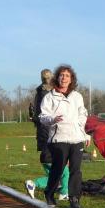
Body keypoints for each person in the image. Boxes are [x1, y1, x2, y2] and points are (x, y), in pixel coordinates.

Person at [38, 65, 88, 208]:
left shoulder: (77, 96)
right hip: (59, 138)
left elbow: (83, 114)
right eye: (61, 75)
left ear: (71, 79)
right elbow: (42, 117)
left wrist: (83, 133)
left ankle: (74, 198)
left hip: (76, 139)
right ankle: (49, 193)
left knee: (76, 169)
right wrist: (52, 119)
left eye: (67, 76)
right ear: (57, 78)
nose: (64, 78)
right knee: (58, 168)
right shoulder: (49, 97)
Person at [25, 69, 69, 201]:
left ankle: (61, 191)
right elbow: (49, 115)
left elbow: (38, 117)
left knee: (56, 174)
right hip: (49, 135)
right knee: (63, 172)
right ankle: (61, 192)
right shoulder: (49, 94)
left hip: (43, 135)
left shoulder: (39, 93)